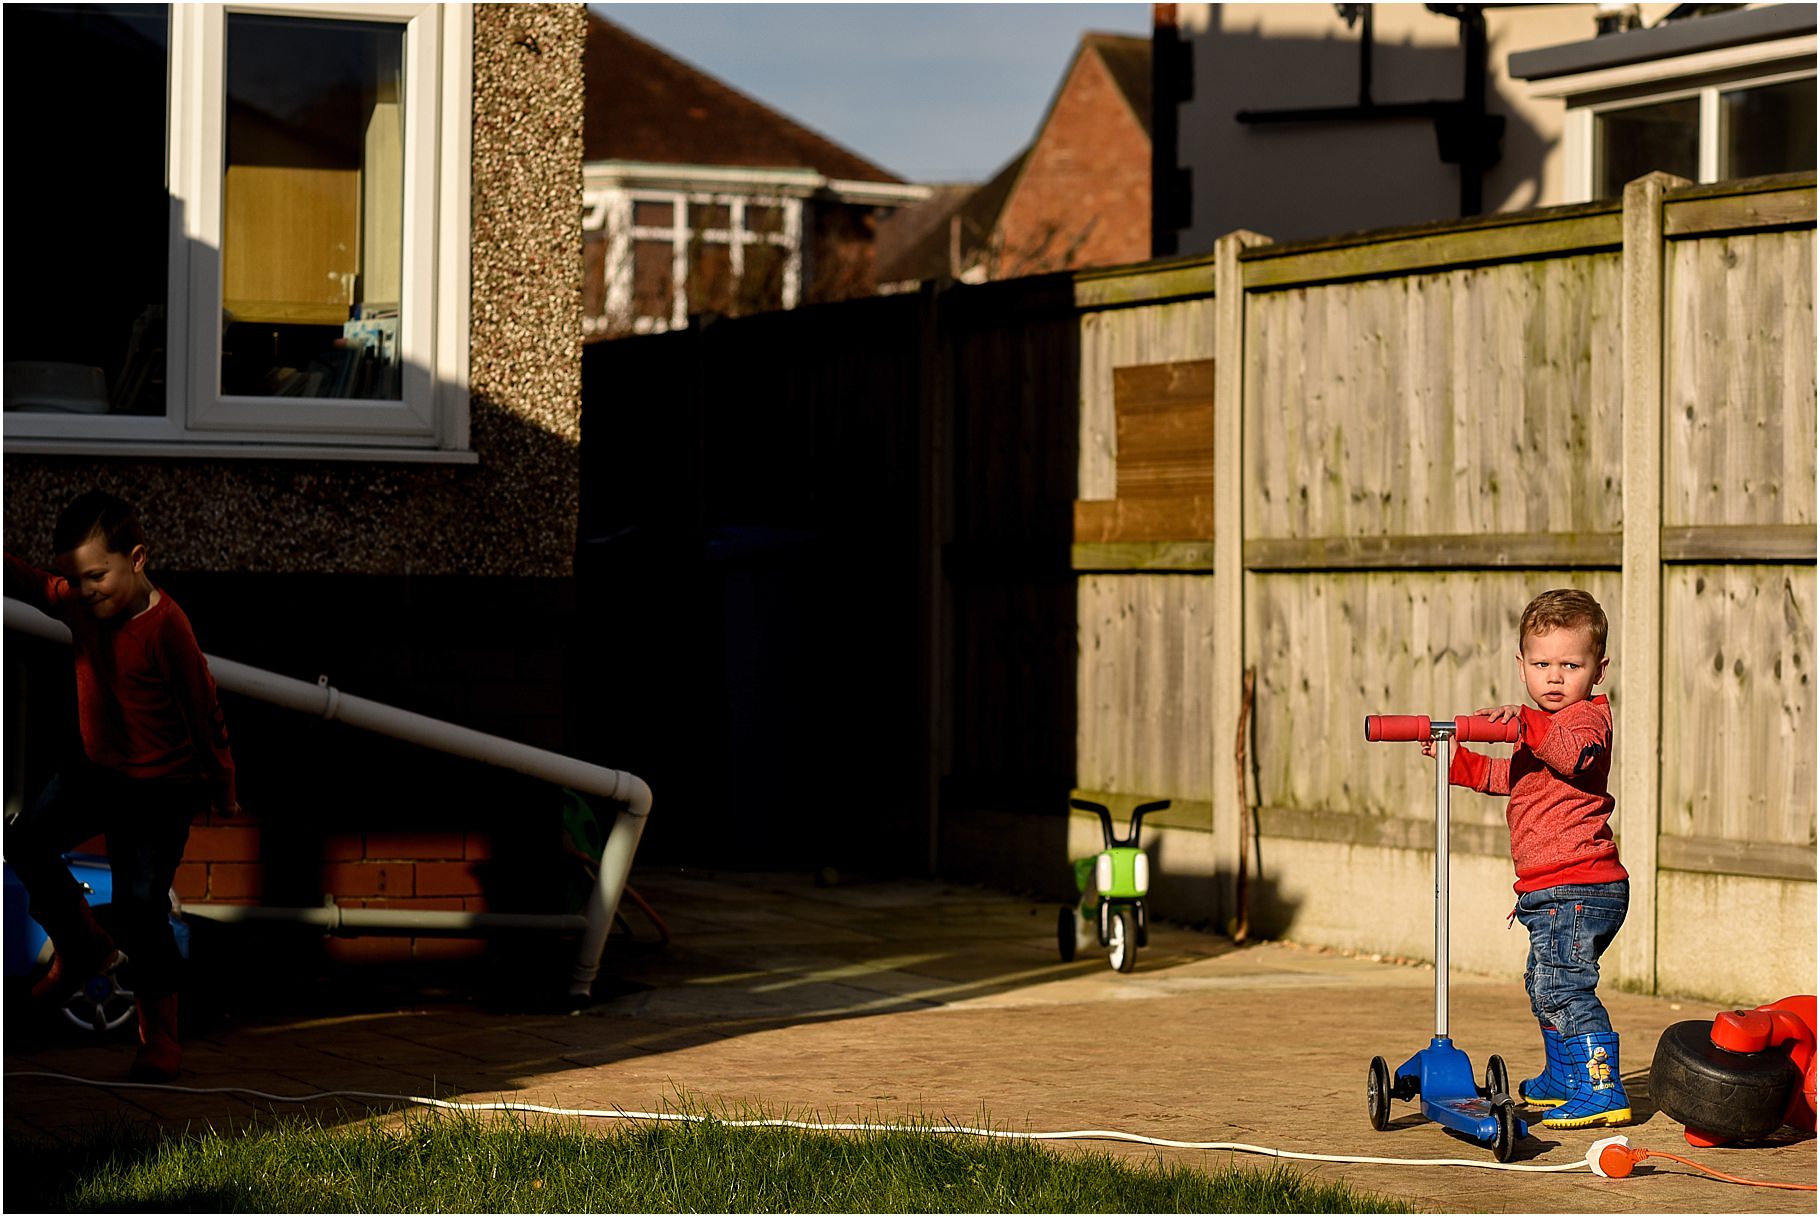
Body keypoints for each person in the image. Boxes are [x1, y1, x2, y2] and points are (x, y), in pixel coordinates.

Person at [5, 489, 237, 1082]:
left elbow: (203, 707)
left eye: (97, 577)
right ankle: (81, 944)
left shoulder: (168, 628)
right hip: (97, 771)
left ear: (137, 558)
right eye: (75, 580)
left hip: (160, 790)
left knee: (139, 906)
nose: (85, 592)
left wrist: (221, 779)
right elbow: (31, 584)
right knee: (25, 839)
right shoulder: (78, 601)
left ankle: (159, 1036)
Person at [1429, 587, 1631, 1129]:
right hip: (1550, 891)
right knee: (1543, 983)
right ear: (1522, 666)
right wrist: (1460, 762)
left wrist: (1523, 722)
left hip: (1581, 888)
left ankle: (1601, 1087)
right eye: (1542, 664)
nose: (1555, 677)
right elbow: (1513, 781)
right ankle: (1564, 1075)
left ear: (1598, 669)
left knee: (1565, 986)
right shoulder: (1541, 730)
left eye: (1571, 664)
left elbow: (1572, 755)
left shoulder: (1587, 722)